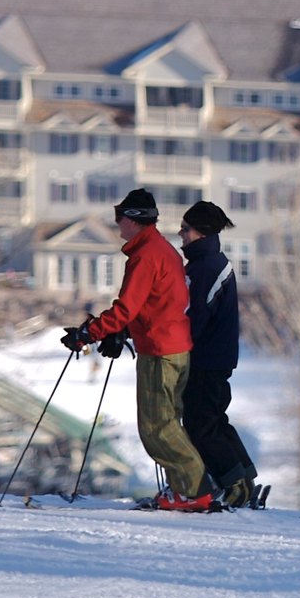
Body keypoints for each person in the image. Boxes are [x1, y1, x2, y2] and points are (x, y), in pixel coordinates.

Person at [62, 188, 213, 511]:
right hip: (173, 345)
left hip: (160, 351)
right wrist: (121, 331)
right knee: (168, 422)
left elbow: (126, 308)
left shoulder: (146, 255)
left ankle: (196, 490)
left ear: (133, 220)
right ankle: (182, 491)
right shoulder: (163, 250)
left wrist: (89, 333)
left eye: (120, 217)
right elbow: (156, 304)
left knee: (156, 426)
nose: (117, 224)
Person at [177, 201, 259, 508]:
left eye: (185, 228)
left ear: (201, 232)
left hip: (207, 360)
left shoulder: (208, 267)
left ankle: (234, 484)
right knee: (214, 420)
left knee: (201, 425)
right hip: (216, 358)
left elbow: (195, 317)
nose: (180, 234)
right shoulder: (207, 264)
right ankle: (244, 477)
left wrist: (177, 344)